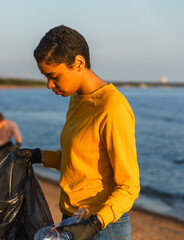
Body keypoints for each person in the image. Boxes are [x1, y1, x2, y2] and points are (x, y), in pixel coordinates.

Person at [16, 25, 140, 240]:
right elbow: (80, 160)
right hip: (72, 219)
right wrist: (39, 156)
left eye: (53, 76)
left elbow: (129, 186)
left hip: (104, 227)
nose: (49, 84)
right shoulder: (76, 99)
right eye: (46, 77)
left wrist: (94, 224)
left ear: (78, 63)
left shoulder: (112, 107)